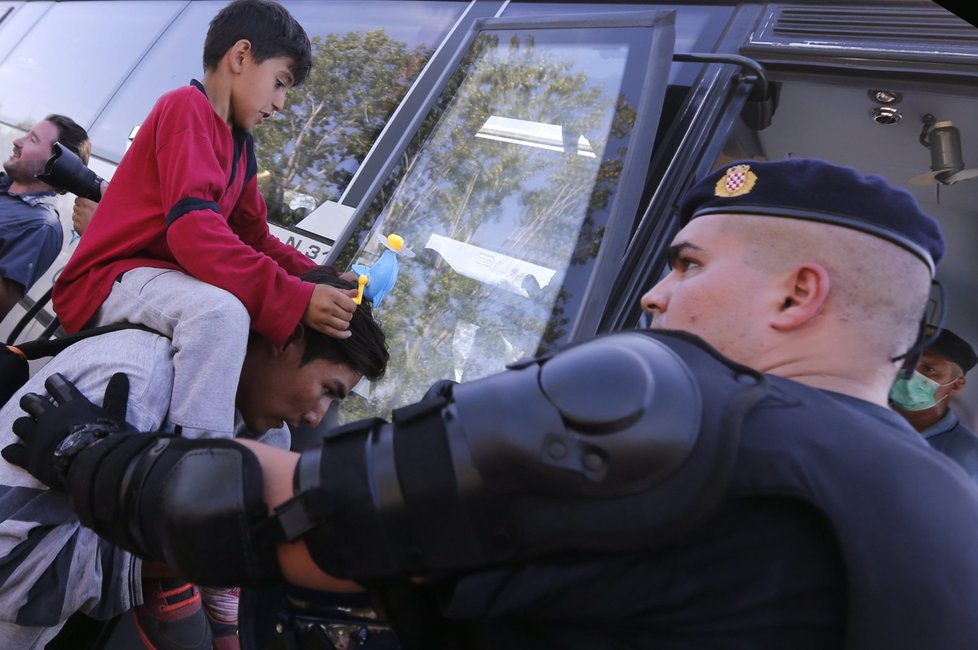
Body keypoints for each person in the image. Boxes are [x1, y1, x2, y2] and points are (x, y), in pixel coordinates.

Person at [10, 158, 978, 650]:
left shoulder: (660, 409)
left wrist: (88, 450)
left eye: (686, 264)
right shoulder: (947, 514)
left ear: (795, 293)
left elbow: (276, 513)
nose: (654, 295)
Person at [0, 270, 388, 649]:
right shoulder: (141, 377)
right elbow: (11, 565)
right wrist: (180, 560)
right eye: (326, 390)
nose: (317, 417)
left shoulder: (256, 434)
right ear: (286, 339)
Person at [51, 0, 357, 443]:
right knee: (220, 315)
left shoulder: (240, 148)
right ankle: (195, 474)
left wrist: (319, 277)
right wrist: (293, 296)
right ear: (240, 57)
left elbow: (254, 237)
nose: (281, 103)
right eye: (280, 83)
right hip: (108, 276)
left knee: (276, 438)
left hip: (159, 280)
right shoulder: (185, 109)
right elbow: (193, 232)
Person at [0, 115, 91, 320]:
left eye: (32, 140)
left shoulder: (42, 226)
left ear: (56, 165)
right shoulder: (4, 186)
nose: (17, 141)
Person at [890, 326, 978, 481]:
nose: (909, 374)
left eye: (929, 369)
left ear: (956, 385)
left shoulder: (966, 457)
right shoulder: (863, 416)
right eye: (906, 362)